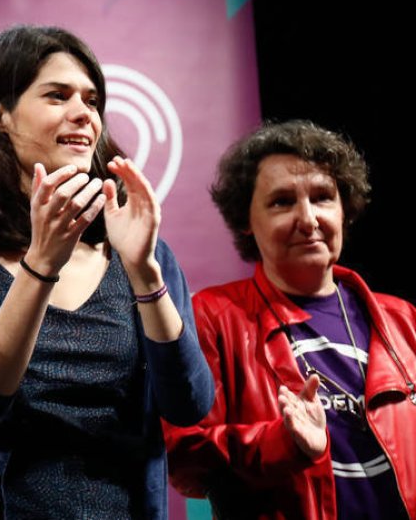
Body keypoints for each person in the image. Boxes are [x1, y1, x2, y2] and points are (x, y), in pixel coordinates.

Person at [0, 25, 213, 519]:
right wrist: (41, 263)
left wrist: (145, 273)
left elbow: (189, 404)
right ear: (0, 114)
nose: (83, 115)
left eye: (92, 101)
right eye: (57, 96)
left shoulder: (137, 252)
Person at [162, 120, 416, 517]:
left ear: (343, 208)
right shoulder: (213, 316)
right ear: (246, 219)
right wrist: (283, 443)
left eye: (322, 198)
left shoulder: (402, 320)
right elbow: (184, 455)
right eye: (282, 202)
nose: (309, 219)